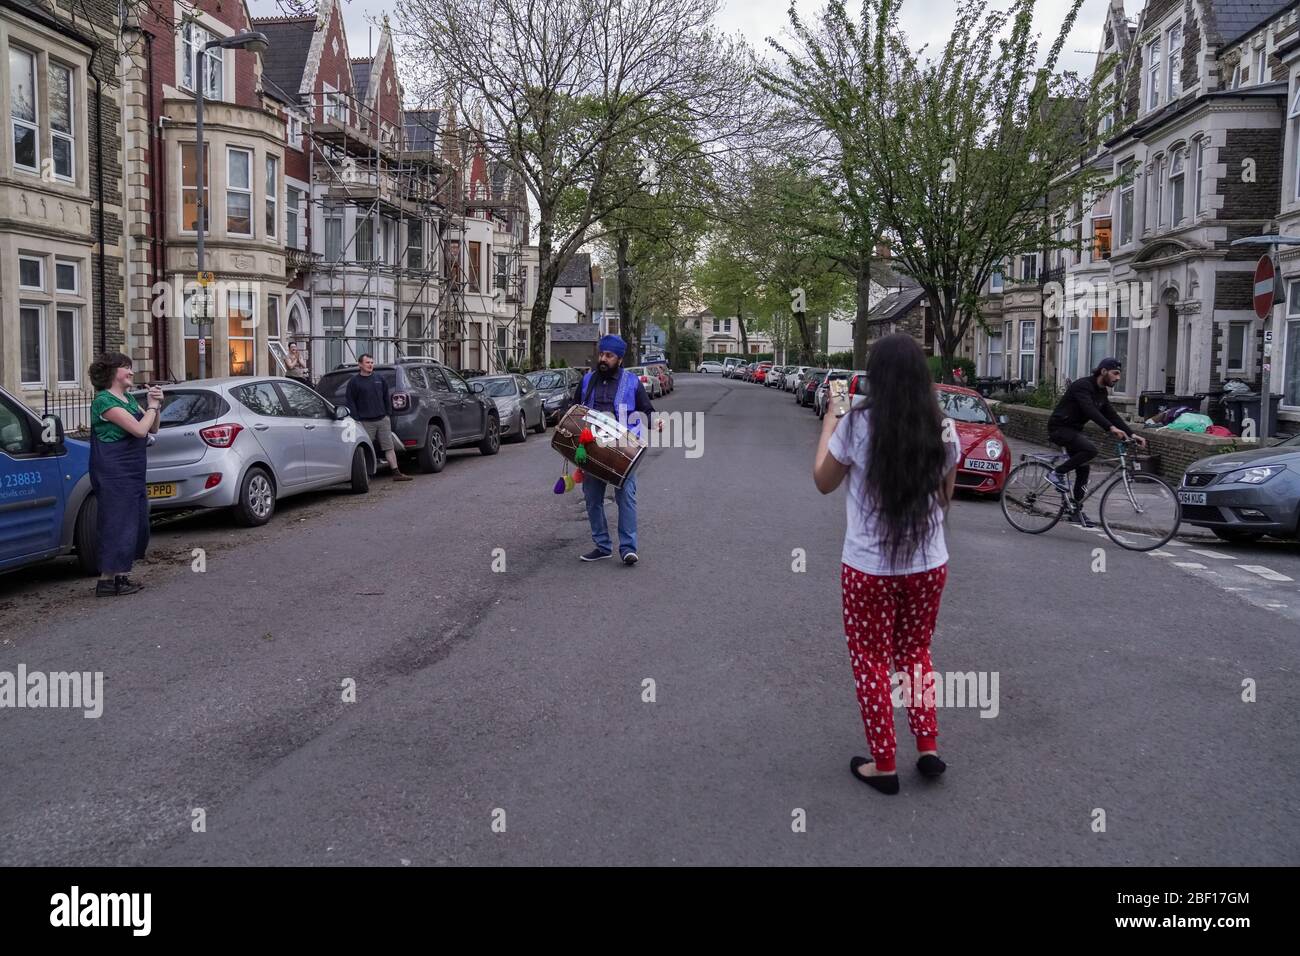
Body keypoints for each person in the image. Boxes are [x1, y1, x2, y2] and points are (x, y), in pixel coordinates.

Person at [813, 334, 961, 795]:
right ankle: (927, 747)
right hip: (929, 562)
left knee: (872, 660)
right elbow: (945, 498)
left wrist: (830, 419)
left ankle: (883, 763)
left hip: (869, 568)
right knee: (915, 653)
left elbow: (823, 481)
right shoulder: (944, 427)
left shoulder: (858, 423)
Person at [87, 353, 163, 597]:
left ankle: (121, 576)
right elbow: (140, 430)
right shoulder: (104, 401)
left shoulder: (128, 398)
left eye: (131, 367)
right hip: (114, 471)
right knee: (116, 522)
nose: (131, 372)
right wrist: (151, 407)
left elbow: (153, 426)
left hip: (132, 470)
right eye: (125, 368)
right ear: (110, 373)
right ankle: (106, 581)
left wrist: (155, 405)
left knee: (135, 521)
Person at [577, 335, 653, 565]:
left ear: (619, 359)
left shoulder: (632, 382)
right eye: (601, 354)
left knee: (626, 498)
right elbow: (574, 408)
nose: (603, 359)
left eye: (609, 356)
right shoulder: (588, 379)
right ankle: (602, 546)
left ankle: (628, 548)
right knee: (592, 499)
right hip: (592, 448)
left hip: (624, 449)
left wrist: (655, 420)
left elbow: (647, 409)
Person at [1046, 358, 1147, 524]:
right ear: (1104, 371)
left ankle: (1075, 509)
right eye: (1115, 373)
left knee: (1084, 469)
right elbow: (1090, 410)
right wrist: (1110, 428)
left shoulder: (1102, 392)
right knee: (1090, 450)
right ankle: (1056, 473)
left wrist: (1131, 434)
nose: (1118, 378)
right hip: (1059, 428)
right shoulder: (1082, 386)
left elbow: (1111, 414)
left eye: (1119, 374)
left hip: (1074, 430)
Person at [345, 354, 412, 482]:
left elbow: (386, 397)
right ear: (360, 365)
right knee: (364, 449)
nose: (370, 365)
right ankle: (365, 476)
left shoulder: (379, 379)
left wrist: (387, 413)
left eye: (371, 362)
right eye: (367, 362)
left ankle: (396, 473)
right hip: (365, 421)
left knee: (389, 447)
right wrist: (356, 418)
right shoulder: (354, 382)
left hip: (382, 419)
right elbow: (350, 401)